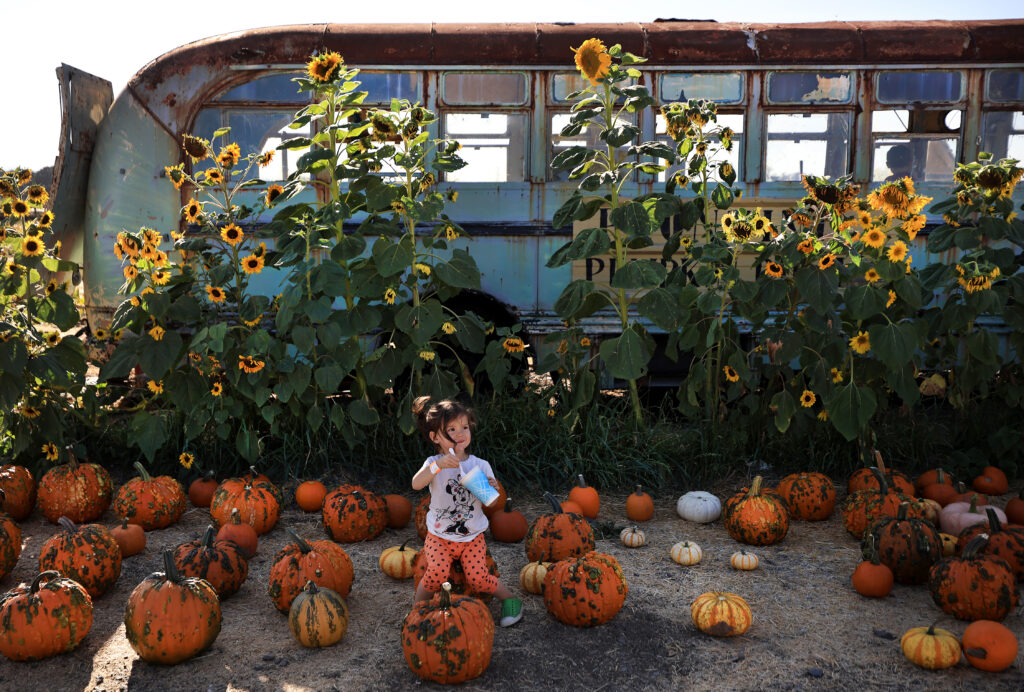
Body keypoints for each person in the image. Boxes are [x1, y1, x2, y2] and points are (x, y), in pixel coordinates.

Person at [410, 395, 523, 627]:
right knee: (435, 574)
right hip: (439, 536)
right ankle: (417, 610)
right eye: (451, 429)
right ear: (435, 437)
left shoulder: (479, 465)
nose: (461, 433)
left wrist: (491, 490)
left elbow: (491, 503)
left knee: (478, 578)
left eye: (464, 427)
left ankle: (511, 600)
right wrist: (437, 466)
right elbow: (416, 484)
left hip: (472, 536)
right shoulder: (434, 462)